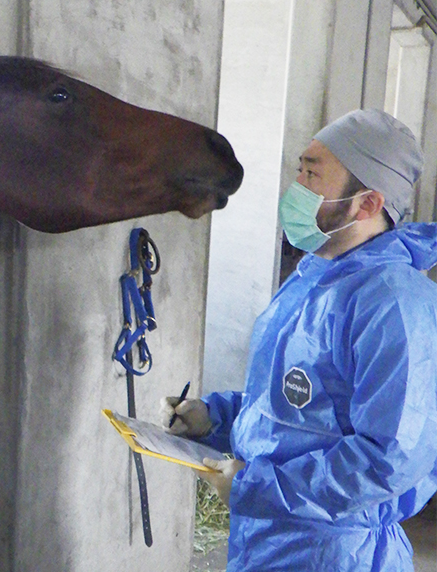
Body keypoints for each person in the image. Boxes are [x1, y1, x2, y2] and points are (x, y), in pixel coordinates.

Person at [160, 109, 437, 572]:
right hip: (271, 540)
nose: (297, 187)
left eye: (313, 173)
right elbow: (295, 408)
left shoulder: (392, 303)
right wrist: (216, 418)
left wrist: (257, 487)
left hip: (334, 552)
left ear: (367, 204)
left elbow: (389, 458)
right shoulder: (316, 274)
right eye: (299, 170)